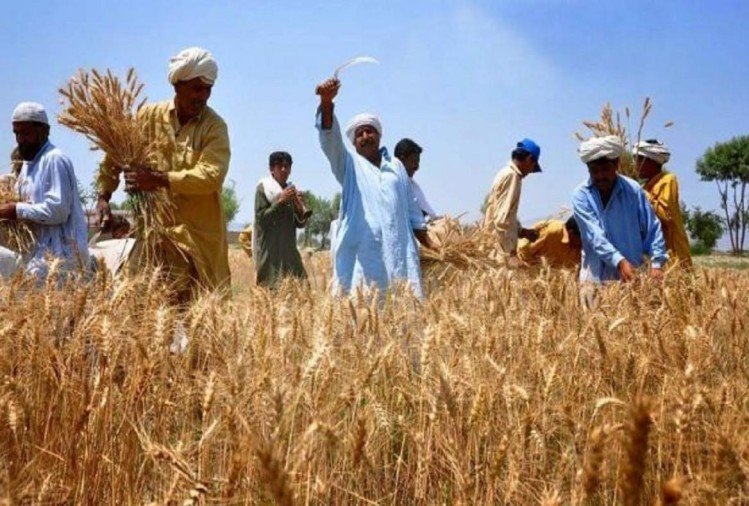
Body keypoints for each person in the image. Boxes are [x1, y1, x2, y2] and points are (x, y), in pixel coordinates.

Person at [95, 47, 231, 298]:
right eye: (197, 88)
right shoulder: (148, 117)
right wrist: (104, 196)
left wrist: (157, 180)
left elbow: (211, 176)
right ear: (177, 85)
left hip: (196, 243)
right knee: (141, 316)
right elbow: (115, 151)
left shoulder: (214, 127)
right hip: (153, 238)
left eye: (208, 89)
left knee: (199, 324)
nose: (203, 96)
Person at [315, 78, 432, 298]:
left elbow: (414, 213)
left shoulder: (396, 167)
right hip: (363, 258)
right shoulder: (348, 165)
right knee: (360, 315)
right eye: (359, 134)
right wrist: (327, 102)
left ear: (379, 136)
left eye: (370, 131)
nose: (365, 137)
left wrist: (435, 247)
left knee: (399, 316)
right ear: (353, 141)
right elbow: (330, 140)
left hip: (397, 258)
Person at [0, 102, 90, 279]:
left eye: (26, 133)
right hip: (39, 256)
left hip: (63, 258)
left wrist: (15, 210)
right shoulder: (27, 166)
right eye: (16, 133)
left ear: (44, 131)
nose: (20, 140)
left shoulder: (55, 159)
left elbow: (59, 211)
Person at [572, 135, 667, 284]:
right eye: (594, 171)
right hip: (594, 281)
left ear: (616, 164)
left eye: (605, 170)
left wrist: (656, 263)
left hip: (632, 279)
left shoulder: (633, 190)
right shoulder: (581, 196)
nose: (600, 176)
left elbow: (652, 228)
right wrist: (619, 261)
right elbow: (594, 236)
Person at [252, 151, 310, 288]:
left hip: (290, 254)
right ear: (272, 169)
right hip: (271, 256)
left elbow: (300, 224)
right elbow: (261, 220)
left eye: (287, 166)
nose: (284, 170)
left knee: (302, 292)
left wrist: (299, 207)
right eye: (280, 166)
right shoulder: (264, 189)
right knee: (270, 293)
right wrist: (280, 201)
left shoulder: (290, 190)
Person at [634, 139, 692, 268]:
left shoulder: (668, 180)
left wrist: (642, 193)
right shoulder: (646, 186)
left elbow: (665, 215)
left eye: (638, 160)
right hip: (654, 255)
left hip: (673, 255)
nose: (635, 165)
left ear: (651, 161)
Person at [484, 139, 543, 256]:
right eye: (533, 166)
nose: (531, 171)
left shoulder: (505, 173)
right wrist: (508, 252)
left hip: (493, 244)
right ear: (529, 159)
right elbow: (502, 219)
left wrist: (522, 232)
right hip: (501, 249)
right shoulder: (512, 176)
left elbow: (504, 215)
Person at [394, 138, 437, 220]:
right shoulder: (393, 184)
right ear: (401, 160)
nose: (417, 167)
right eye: (413, 161)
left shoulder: (413, 185)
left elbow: (429, 213)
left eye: (418, 162)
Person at [517, 217, 582, 269]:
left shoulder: (581, 247)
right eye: (580, 239)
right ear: (571, 233)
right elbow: (524, 249)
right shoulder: (552, 232)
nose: (583, 243)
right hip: (532, 273)